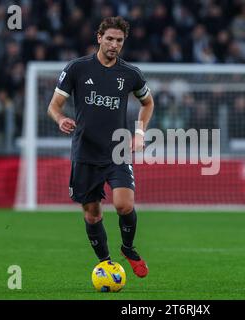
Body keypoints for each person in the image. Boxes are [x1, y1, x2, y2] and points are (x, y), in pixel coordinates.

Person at [47, 16, 154, 278]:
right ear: (99, 37)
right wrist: (61, 119)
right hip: (85, 151)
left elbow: (147, 103)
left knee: (123, 205)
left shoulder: (130, 74)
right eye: (110, 39)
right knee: (93, 215)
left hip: (117, 149)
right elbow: (54, 106)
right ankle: (106, 263)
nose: (114, 44)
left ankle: (128, 248)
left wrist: (139, 132)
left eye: (119, 40)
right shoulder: (77, 68)